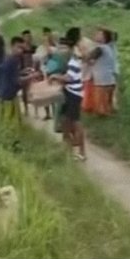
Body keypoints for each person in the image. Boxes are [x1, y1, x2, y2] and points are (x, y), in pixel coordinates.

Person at [51, 27, 86, 161]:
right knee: (66, 120)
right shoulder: (74, 54)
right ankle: (70, 148)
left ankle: (80, 152)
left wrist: (55, 77)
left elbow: (70, 77)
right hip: (72, 90)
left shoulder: (74, 57)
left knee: (76, 122)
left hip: (74, 92)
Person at [86, 28, 116, 117]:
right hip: (109, 77)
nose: (96, 35)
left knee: (100, 98)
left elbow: (88, 57)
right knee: (107, 99)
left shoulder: (100, 48)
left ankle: (101, 112)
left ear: (104, 38)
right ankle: (107, 111)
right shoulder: (108, 47)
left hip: (101, 78)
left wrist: (85, 58)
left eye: (99, 34)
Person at [0, 36, 27, 127]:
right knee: (8, 121)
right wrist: (32, 77)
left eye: (22, 48)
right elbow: (17, 80)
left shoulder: (12, 59)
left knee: (14, 119)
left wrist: (23, 72)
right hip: (8, 95)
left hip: (10, 93)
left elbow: (12, 74)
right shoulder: (12, 60)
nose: (21, 50)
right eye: (18, 47)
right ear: (12, 46)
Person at [20, 29, 37, 116]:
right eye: (26, 36)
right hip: (24, 70)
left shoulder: (34, 48)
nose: (28, 38)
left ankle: (35, 110)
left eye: (29, 36)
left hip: (33, 70)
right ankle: (26, 109)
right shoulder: (21, 49)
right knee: (24, 91)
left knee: (34, 90)